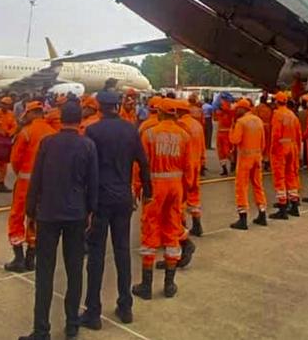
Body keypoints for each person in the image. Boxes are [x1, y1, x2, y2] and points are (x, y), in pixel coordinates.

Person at [18, 101, 99, 340]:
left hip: (48, 214)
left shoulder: (48, 143)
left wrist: (31, 212)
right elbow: (92, 184)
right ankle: (72, 323)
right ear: (79, 119)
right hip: (75, 214)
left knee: (45, 273)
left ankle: (41, 329)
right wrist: (90, 213)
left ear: (61, 119)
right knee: (75, 271)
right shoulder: (87, 146)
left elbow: (36, 179)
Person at [81, 91, 151, 327]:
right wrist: (148, 191)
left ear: (100, 106)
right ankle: (125, 306)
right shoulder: (130, 130)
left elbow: (87, 169)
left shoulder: (93, 131)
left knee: (96, 256)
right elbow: (142, 161)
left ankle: (93, 311)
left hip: (100, 199)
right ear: (118, 106)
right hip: (123, 197)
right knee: (122, 252)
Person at [133, 99, 194, 300]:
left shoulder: (149, 133)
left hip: (155, 187)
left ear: (159, 113)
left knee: (150, 230)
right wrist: (186, 190)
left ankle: (146, 285)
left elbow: (140, 165)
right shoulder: (184, 136)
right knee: (172, 231)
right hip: (175, 187)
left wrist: (137, 188)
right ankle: (169, 284)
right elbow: (189, 168)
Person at [5, 100, 54, 272]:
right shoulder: (52, 132)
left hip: (25, 183)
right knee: (35, 219)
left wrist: (22, 174)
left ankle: (18, 258)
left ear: (33, 113)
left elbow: (15, 160)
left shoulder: (26, 132)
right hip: (44, 184)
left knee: (17, 217)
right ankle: (30, 258)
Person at [229, 98, 268, 229]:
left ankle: (243, 218)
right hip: (257, 157)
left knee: (241, 186)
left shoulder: (241, 122)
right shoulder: (258, 121)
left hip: (245, 158)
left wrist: (232, 128)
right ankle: (262, 213)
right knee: (258, 185)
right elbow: (263, 142)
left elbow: (235, 140)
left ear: (242, 109)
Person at [267, 92, 302, 219]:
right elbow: (298, 134)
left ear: (277, 102)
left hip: (281, 148)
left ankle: (282, 208)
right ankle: (294, 204)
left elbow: (275, 134)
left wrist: (272, 150)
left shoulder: (277, 115)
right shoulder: (292, 115)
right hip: (292, 147)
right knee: (291, 175)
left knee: (279, 177)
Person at [177, 94, 207, 236]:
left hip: (184, 166)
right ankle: (197, 225)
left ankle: (181, 228)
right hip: (196, 165)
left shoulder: (181, 125)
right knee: (194, 196)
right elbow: (202, 146)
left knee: (181, 198)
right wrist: (202, 161)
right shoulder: (197, 125)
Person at [214, 95, 234, 176]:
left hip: (226, 134)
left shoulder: (230, 112)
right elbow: (215, 118)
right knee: (221, 152)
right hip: (221, 133)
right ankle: (224, 168)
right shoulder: (220, 112)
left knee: (226, 151)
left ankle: (232, 164)